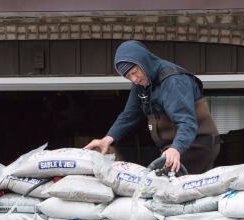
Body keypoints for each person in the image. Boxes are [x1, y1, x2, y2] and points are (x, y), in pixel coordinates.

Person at [84, 40, 220, 174]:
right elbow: (129, 115)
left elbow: (187, 123)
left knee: (168, 188)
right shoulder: (141, 84)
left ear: (144, 62)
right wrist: (107, 139)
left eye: (135, 72)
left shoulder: (173, 81)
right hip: (172, 148)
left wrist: (176, 148)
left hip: (196, 146)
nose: (134, 79)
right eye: (128, 76)